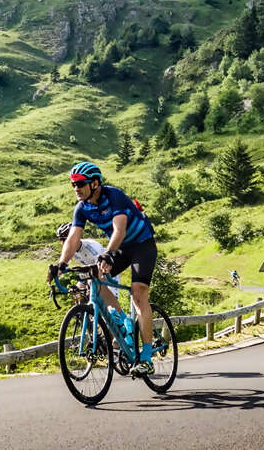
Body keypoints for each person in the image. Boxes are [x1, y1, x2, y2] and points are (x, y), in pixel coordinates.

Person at [47, 161, 158, 377]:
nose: (76, 188)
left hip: (141, 245)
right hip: (120, 249)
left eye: (80, 184)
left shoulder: (114, 196)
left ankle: (146, 357)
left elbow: (119, 229)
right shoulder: (82, 208)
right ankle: (123, 322)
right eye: (73, 185)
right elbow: (73, 238)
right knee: (94, 281)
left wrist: (107, 252)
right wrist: (61, 264)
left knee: (138, 294)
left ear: (95, 183)